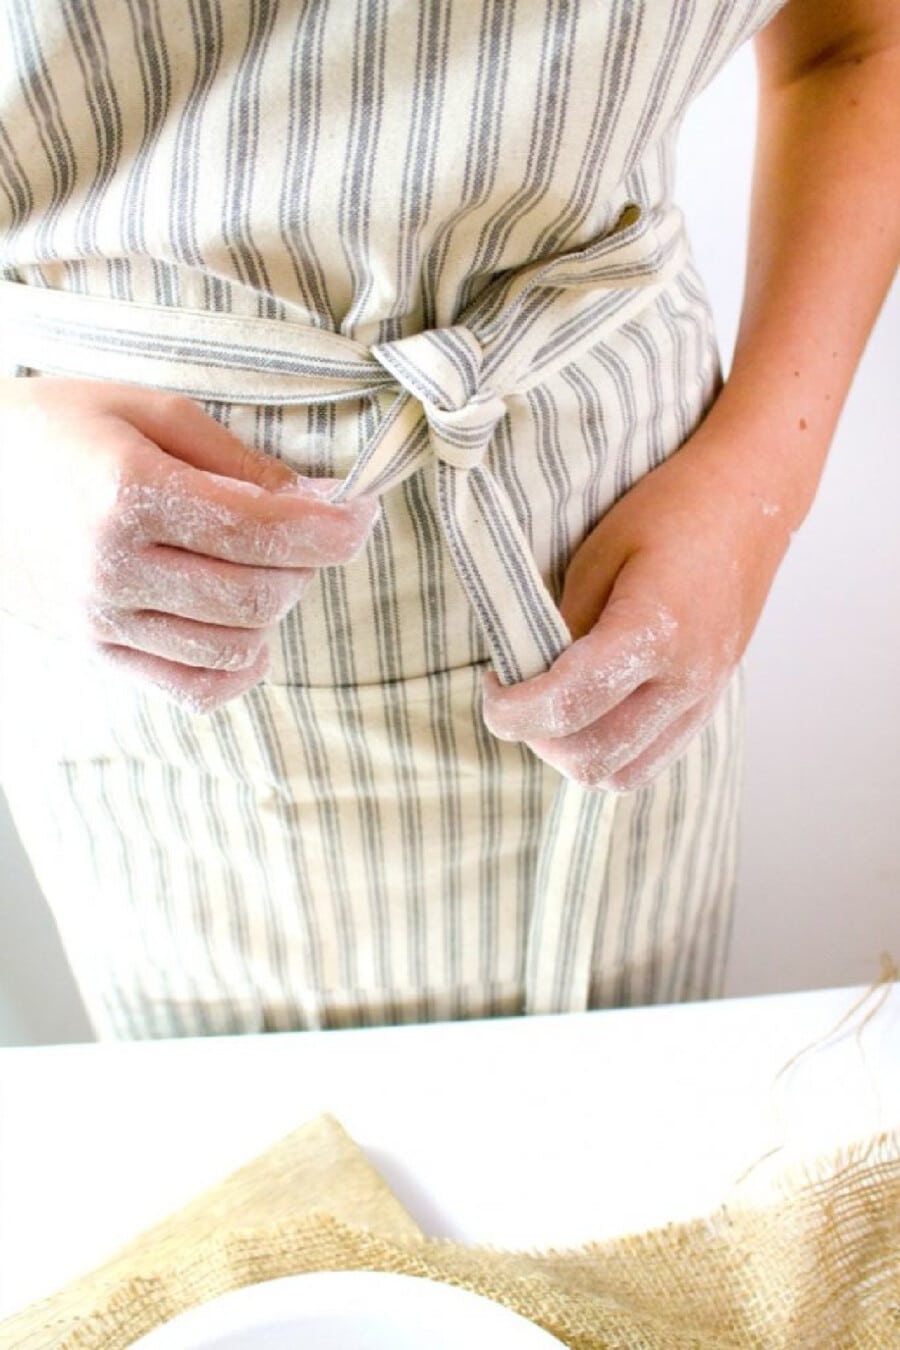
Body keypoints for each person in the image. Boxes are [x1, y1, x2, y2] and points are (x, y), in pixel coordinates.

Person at [0, 1, 897, 1039]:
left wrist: (759, 484)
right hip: (134, 652)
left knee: (625, 1151)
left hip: (619, 604)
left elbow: (857, 40)